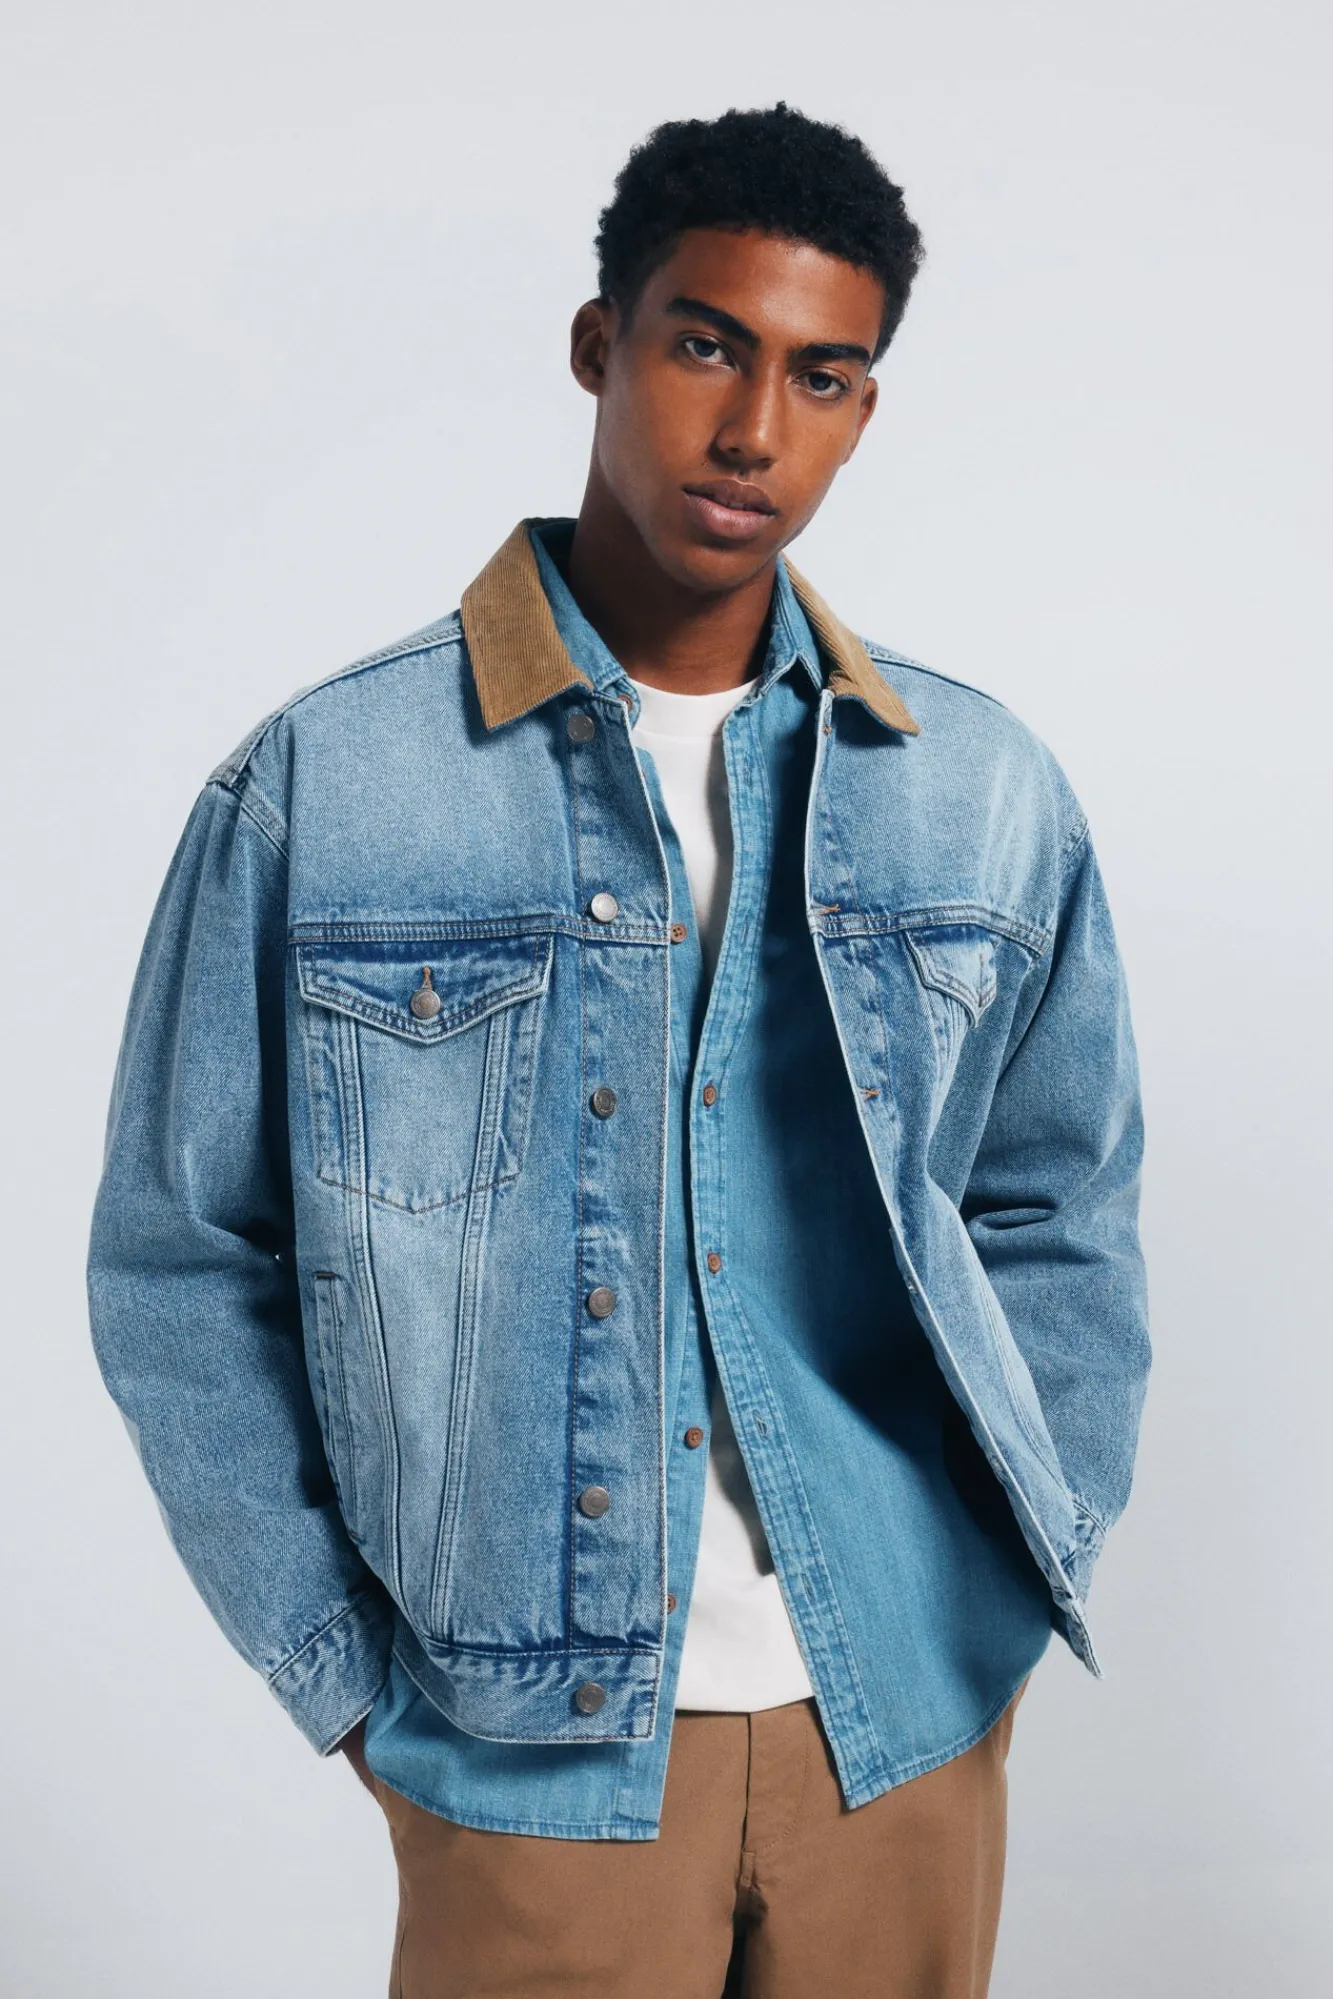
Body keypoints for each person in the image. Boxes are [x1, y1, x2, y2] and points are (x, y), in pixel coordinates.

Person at [87, 102, 1150, 1999]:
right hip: (530, 1756)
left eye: (823, 376)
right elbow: (180, 1260)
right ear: (601, 344)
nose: (754, 429)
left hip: (900, 1721)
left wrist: (1011, 1570)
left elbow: (1058, 1210)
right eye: (705, 345)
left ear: (865, 409)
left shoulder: (982, 792)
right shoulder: (328, 787)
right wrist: (346, 1679)